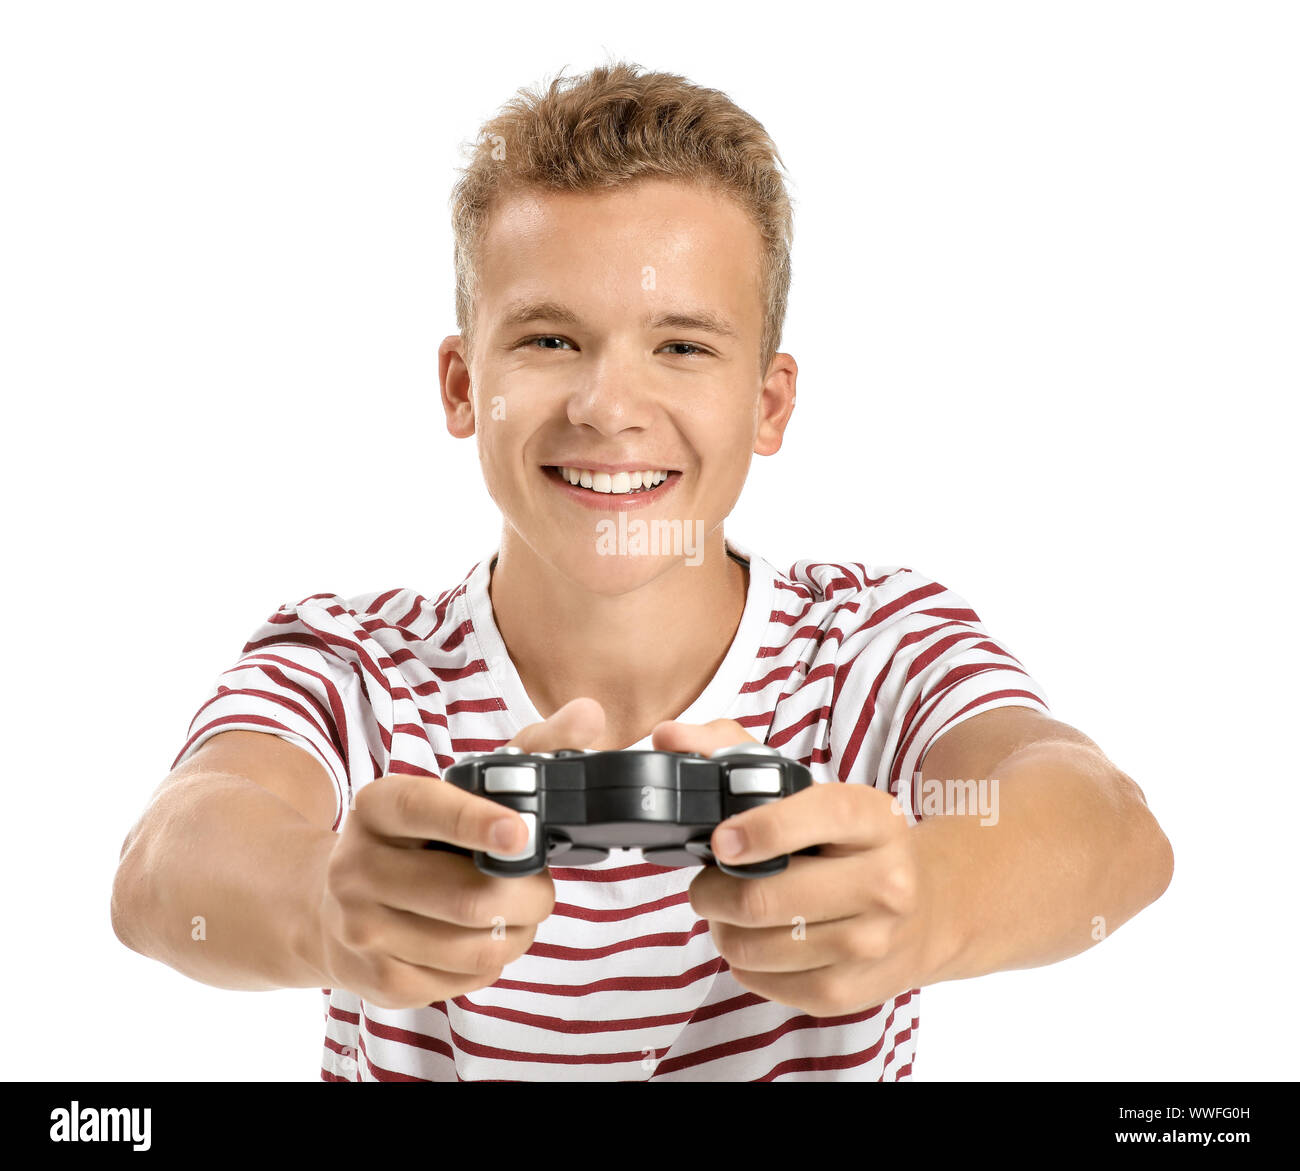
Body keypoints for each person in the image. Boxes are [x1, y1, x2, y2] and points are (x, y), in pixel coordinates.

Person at [110, 61, 1174, 1081]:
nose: (607, 408)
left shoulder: (872, 641)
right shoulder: (350, 658)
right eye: (549, 340)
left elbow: (1112, 830)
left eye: (680, 347)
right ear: (459, 384)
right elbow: (164, 867)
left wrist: (926, 899)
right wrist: (324, 903)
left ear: (769, 404)